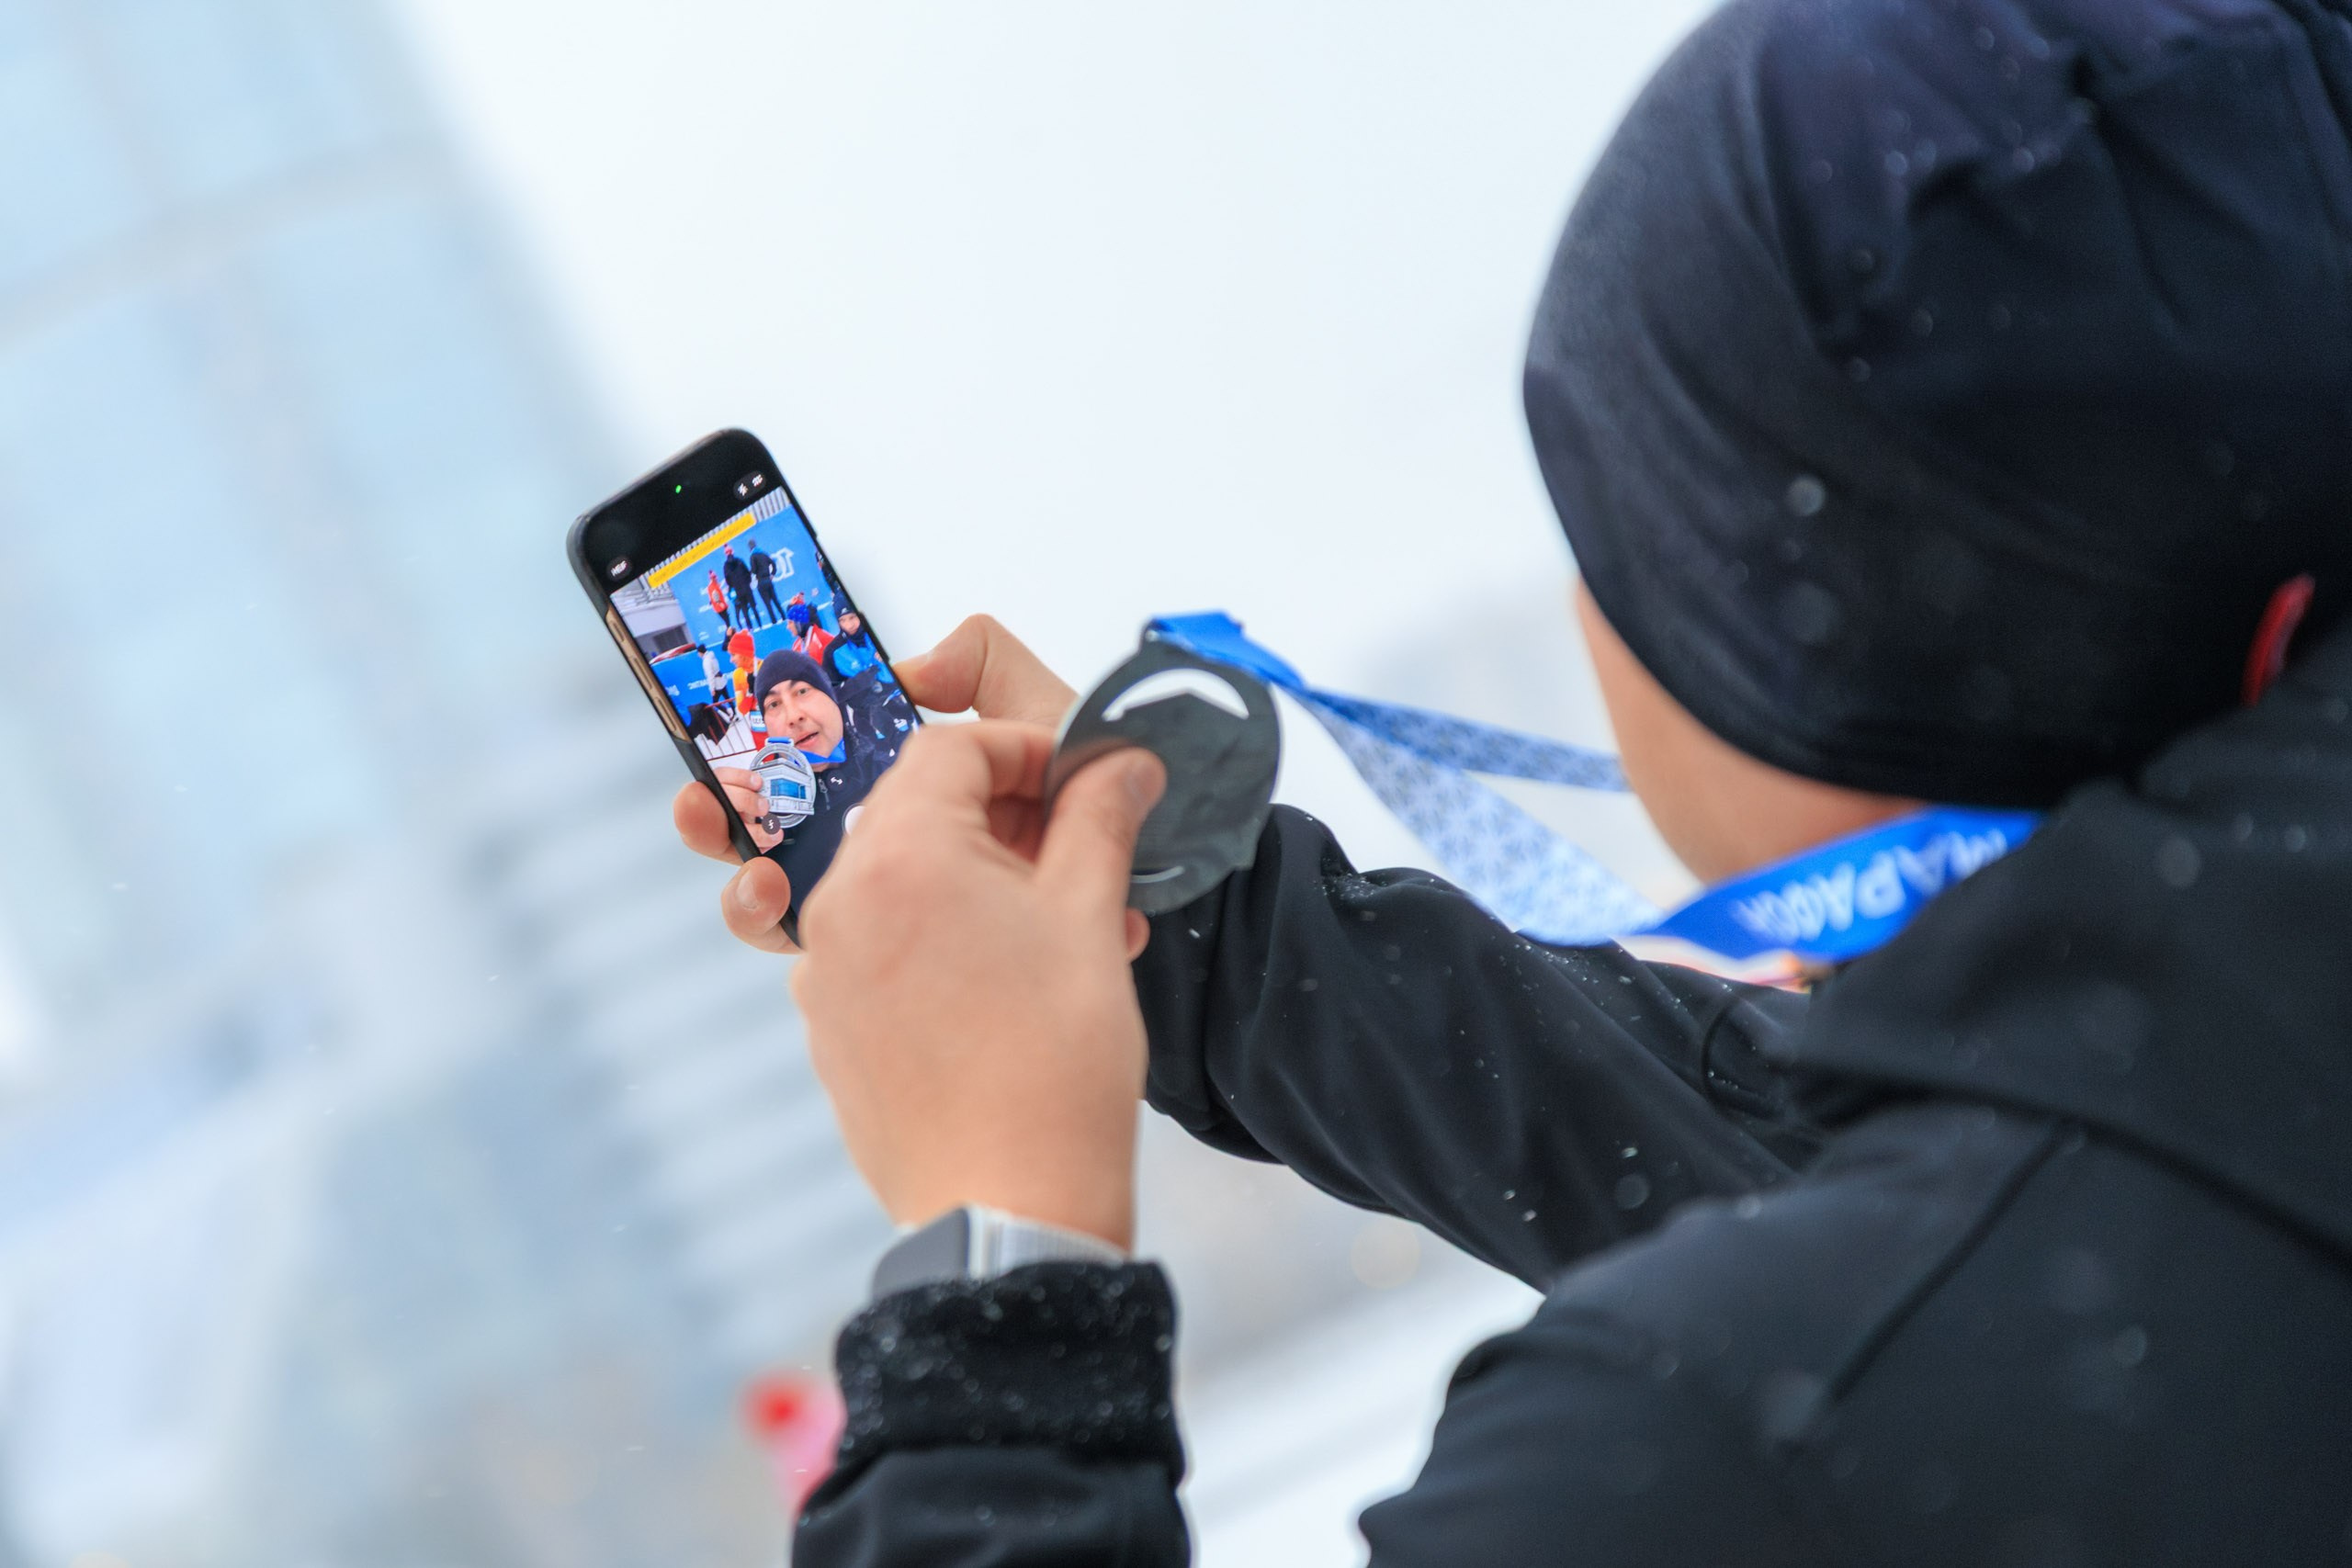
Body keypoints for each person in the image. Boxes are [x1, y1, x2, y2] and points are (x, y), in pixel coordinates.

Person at [673, 1, 2352, 1562]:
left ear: (1785, 657)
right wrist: (1190, 921)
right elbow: (1849, 1185)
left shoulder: (1714, 1458)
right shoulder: (2202, 1093)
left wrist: (997, 1249)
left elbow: (1864, 1279)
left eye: (1615, 537)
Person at [707, 649, 902, 903]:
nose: (794, 716)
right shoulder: (769, 814)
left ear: (833, 699)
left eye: (802, 691)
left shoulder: (900, 773)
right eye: (774, 704)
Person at [750, 537, 788, 626]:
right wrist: (772, 574)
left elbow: (754, 570)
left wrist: (752, 571)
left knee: (768, 604)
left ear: (750, 548)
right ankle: (784, 616)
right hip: (768, 580)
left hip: (761, 582)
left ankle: (774, 622)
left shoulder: (752, 556)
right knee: (776, 600)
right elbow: (773, 563)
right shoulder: (763, 554)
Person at [723, 545, 760, 628]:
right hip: (747, 588)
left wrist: (734, 586)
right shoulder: (739, 561)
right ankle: (760, 625)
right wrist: (747, 582)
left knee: (745, 611)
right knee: (754, 608)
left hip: (738, 591)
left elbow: (728, 581)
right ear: (732, 552)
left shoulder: (726, 566)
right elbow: (747, 572)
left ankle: (750, 628)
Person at [705, 569, 732, 633]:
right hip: (720, 607)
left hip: (720, 607)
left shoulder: (713, 585)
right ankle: (728, 637)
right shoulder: (713, 586)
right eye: (715, 577)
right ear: (712, 578)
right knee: (727, 622)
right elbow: (714, 595)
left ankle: (729, 636)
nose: (716, 578)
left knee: (727, 622)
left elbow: (712, 596)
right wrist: (720, 603)